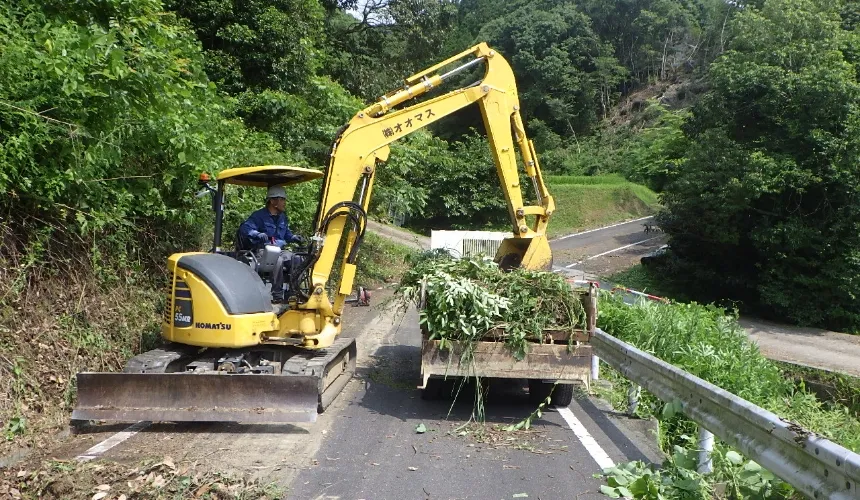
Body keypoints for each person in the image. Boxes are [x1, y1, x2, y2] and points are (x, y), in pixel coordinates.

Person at [238, 185, 305, 302]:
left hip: (280, 250)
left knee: (297, 259)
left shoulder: (282, 217)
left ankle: (293, 293)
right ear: (273, 201)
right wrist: (256, 234)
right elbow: (245, 228)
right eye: (282, 199)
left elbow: (286, 234)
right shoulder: (259, 216)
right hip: (263, 251)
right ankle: (277, 295)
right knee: (276, 260)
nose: (284, 203)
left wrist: (293, 237)